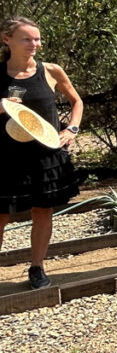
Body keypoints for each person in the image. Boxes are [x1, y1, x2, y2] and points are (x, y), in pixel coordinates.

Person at [0, 16, 83, 289]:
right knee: (0, 215)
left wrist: (71, 129)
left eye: (36, 38)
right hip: (6, 156)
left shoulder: (50, 70)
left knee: (43, 212)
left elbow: (76, 101)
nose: (34, 44)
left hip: (45, 155)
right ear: (6, 39)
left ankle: (37, 268)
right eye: (27, 38)